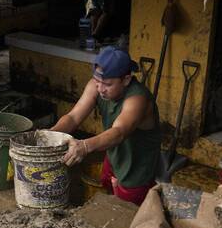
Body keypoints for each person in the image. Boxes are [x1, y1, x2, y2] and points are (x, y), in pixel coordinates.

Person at [52, 46, 161, 205]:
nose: (101, 89)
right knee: (106, 187)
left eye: (107, 84)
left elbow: (118, 132)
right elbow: (73, 117)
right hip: (114, 156)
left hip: (135, 170)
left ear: (126, 80)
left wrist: (85, 146)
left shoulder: (138, 99)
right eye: (97, 81)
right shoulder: (97, 85)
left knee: (127, 211)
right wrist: (49, 134)